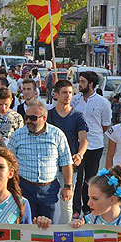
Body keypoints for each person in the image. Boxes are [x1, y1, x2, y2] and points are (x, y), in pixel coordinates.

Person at [7, 102, 73, 220]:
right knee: (26, 225)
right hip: (24, 188)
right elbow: (8, 163)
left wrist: (68, 186)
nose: (28, 121)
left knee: (47, 225)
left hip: (49, 190)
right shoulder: (17, 136)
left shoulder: (57, 135)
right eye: (27, 117)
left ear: (44, 118)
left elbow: (66, 162)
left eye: (33, 118)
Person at [71, 72, 113, 215]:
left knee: (90, 179)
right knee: (77, 178)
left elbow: (105, 125)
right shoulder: (74, 100)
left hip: (95, 145)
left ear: (91, 84)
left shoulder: (103, 103)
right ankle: (76, 209)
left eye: (83, 82)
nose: (80, 84)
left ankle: (88, 208)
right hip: (77, 146)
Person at [47, 80, 89, 218]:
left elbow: (84, 140)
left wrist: (80, 155)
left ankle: (66, 229)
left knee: (67, 203)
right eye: (64, 92)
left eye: (70, 92)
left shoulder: (77, 116)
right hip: (50, 166)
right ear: (56, 94)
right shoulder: (48, 115)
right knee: (50, 202)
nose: (68, 96)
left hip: (70, 166)